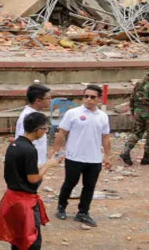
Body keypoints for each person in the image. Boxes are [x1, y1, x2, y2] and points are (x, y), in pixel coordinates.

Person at [0, 112, 62, 250]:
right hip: (24, 200)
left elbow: (24, 170)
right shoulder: (30, 150)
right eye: (45, 129)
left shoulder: (15, 144)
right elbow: (33, 178)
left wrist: (46, 163)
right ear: (39, 130)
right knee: (32, 240)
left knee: (17, 238)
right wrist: (48, 165)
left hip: (12, 197)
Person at [51, 85, 112, 227]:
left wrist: (108, 156)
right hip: (74, 156)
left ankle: (83, 212)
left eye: (92, 97)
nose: (89, 99)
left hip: (94, 158)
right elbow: (62, 133)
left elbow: (106, 137)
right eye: (86, 96)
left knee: (89, 186)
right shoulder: (72, 113)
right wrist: (56, 150)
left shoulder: (103, 116)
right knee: (69, 183)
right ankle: (61, 206)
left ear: (99, 99)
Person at [121, 67, 149, 166]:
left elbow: (132, 98)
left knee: (137, 133)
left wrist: (133, 111)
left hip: (138, 112)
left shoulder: (139, 84)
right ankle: (146, 158)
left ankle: (126, 151)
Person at [15, 84, 52, 167]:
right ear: (38, 101)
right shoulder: (28, 117)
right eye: (48, 98)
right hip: (30, 162)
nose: (50, 100)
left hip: (37, 160)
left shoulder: (36, 114)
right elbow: (23, 140)